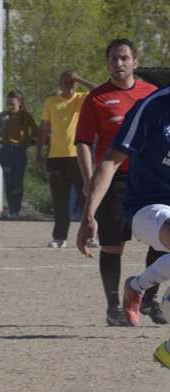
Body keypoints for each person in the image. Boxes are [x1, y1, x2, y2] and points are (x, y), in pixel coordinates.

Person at [74, 38, 165, 326]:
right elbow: (91, 146)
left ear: (135, 62)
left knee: (161, 246)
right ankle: (115, 305)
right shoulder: (142, 104)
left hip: (154, 186)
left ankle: (145, 295)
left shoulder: (149, 92)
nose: (119, 63)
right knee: (113, 244)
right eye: (114, 58)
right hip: (128, 188)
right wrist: (89, 198)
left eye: (125, 57)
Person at [36, 71, 97, 248]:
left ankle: (91, 235)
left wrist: (79, 78)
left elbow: (99, 91)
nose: (69, 85)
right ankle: (60, 237)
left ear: (77, 85)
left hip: (79, 157)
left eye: (72, 82)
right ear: (60, 83)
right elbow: (43, 128)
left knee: (86, 197)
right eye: (66, 81)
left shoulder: (81, 99)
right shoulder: (52, 102)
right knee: (60, 200)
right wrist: (39, 153)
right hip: (56, 157)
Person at [0, 89, 38, 220]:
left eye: (12, 104)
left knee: (17, 181)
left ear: (20, 103)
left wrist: (27, 141)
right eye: (8, 104)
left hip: (19, 151)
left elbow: (35, 132)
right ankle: (12, 209)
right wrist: (2, 123)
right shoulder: (4, 116)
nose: (10, 107)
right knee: (9, 180)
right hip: (6, 151)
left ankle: (16, 209)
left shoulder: (26, 116)